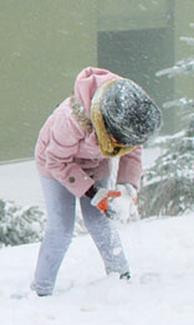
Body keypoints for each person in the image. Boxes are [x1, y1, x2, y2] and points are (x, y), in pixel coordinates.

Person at [31, 66, 161, 297]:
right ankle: (41, 289)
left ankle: (120, 275)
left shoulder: (128, 113)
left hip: (96, 162)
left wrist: (127, 186)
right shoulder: (71, 120)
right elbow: (57, 162)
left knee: (100, 221)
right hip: (55, 163)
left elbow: (132, 152)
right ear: (106, 125)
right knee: (61, 228)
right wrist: (93, 193)